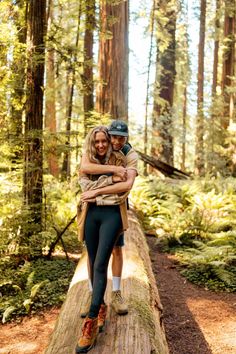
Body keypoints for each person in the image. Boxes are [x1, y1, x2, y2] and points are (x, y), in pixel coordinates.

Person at [76, 125, 135, 353]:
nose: (101, 145)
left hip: (112, 214)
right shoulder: (89, 157)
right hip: (90, 212)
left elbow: (125, 185)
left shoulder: (121, 156)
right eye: (97, 141)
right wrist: (109, 179)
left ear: (110, 141)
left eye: (104, 141)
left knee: (101, 263)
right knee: (92, 259)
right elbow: (84, 179)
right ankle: (100, 306)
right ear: (93, 142)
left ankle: (90, 322)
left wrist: (97, 189)